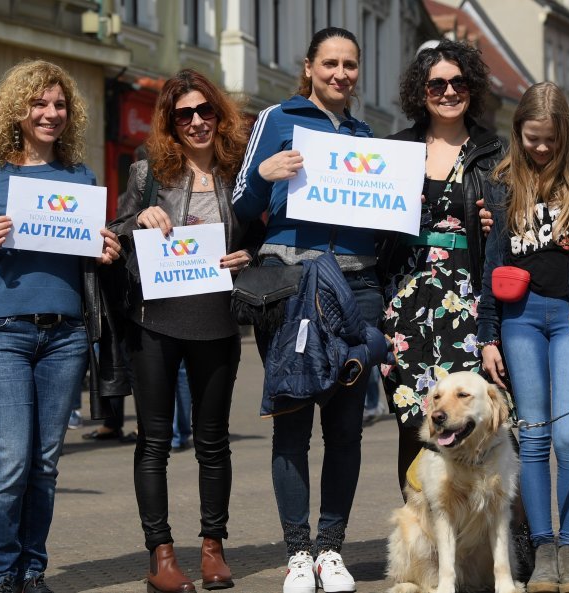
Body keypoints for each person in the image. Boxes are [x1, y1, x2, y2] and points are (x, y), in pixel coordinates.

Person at [0, 58, 121, 593]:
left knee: (44, 464)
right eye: (39, 104)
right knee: (11, 460)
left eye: (59, 104)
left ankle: (31, 569)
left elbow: (85, 251)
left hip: (65, 335)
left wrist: (105, 247)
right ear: (16, 110)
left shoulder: (79, 177)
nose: (50, 113)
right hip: (3, 333)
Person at [232, 27, 382, 593]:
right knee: (292, 425)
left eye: (349, 64)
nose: (340, 73)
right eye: (330, 63)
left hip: (358, 286)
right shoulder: (277, 118)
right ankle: (297, 551)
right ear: (309, 66)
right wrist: (264, 177)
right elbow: (241, 199)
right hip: (292, 283)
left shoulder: (367, 135)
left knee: (347, 428)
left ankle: (332, 549)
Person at [108, 68, 257, 593]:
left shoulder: (239, 171)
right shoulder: (149, 169)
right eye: (184, 115)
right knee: (152, 441)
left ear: (219, 113)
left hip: (216, 319)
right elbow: (120, 230)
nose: (196, 122)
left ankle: (213, 548)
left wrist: (250, 255)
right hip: (156, 320)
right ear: (171, 123)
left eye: (205, 111)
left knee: (213, 442)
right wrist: (141, 218)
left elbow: (261, 235)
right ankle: (162, 555)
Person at [477, 81, 569, 593]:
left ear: (566, 134)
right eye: (533, 138)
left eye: (552, 138)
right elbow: (492, 263)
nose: (543, 148)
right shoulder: (501, 183)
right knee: (533, 437)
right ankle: (544, 548)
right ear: (518, 132)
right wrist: (488, 334)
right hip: (519, 320)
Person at [380, 39, 503, 493]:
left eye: (459, 82)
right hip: (407, 302)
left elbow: (518, 222)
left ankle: (480, 535)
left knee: (467, 421)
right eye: (437, 84)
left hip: (466, 300)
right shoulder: (395, 151)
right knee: (414, 421)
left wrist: (497, 222)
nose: (449, 92)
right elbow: (369, 234)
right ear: (421, 90)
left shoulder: (493, 152)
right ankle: (424, 535)